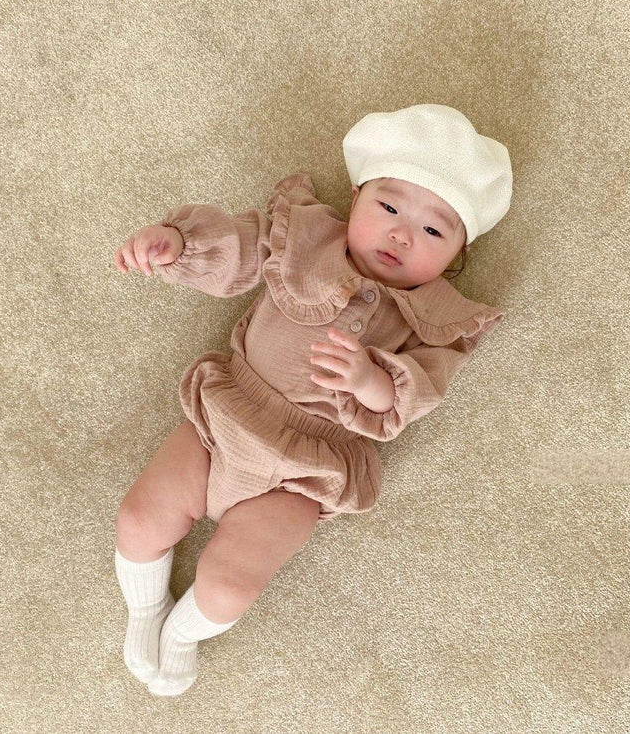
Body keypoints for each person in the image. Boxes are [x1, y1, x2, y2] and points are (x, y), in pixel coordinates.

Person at [111, 103, 512, 696]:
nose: (402, 235)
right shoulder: (304, 241)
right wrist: (180, 244)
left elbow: (417, 394)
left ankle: (182, 634)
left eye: (434, 231)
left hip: (304, 473)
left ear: (459, 253)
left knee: (229, 585)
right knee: (139, 519)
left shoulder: (437, 321)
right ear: (356, 197)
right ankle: (145, 610)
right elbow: (240, 249)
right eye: (389, 207)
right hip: (225, 417)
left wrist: (369, 380)